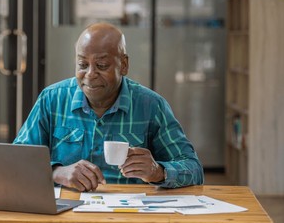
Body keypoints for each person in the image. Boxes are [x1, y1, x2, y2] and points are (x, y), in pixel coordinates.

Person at [14, 22, 204, 192]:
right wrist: (57, 172)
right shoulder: (52, 99)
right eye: (82, 64)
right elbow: (17, 161)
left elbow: (194, 169)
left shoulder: (151, 106)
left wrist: (158, 171)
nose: (90, 74)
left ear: (123, 65)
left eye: (101, 65)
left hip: (129, 218)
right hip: (67, 212)